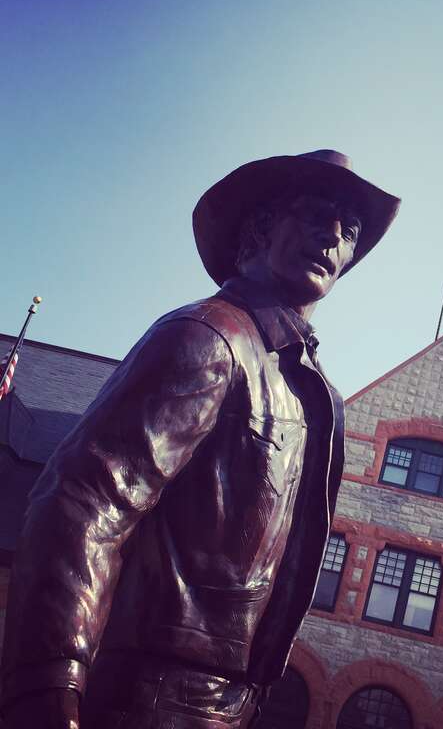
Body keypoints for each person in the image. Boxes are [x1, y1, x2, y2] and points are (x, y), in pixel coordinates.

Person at [0, 150, 400, 728]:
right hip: (148, 697)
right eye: (316, 215)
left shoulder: (306, 389)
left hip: (226, 705)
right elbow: (85, 502)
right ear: (260, 228)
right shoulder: (210, 337)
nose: (333, 237)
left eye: (349, 230)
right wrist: (46, 690)